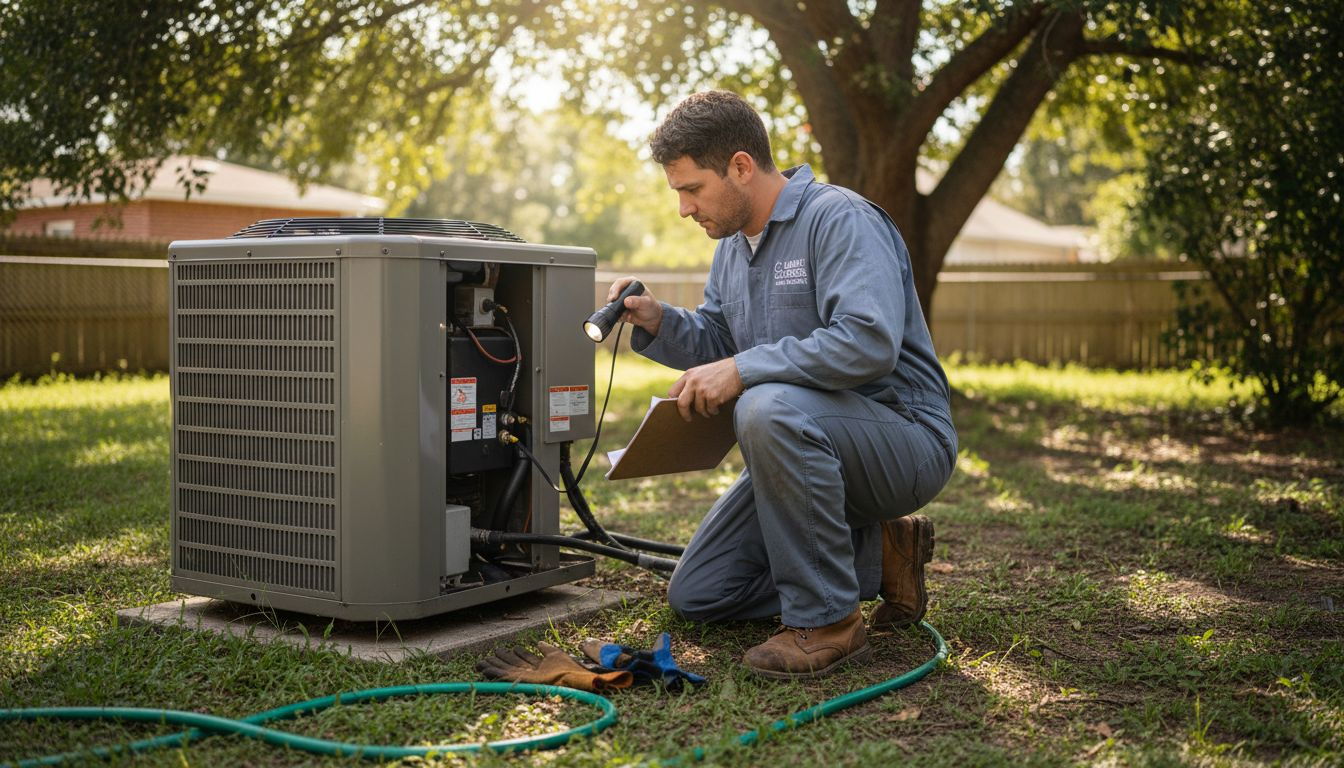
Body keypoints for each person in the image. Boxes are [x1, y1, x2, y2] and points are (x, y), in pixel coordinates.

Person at [606, 90, 957, 679]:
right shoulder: (731, 248)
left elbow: (868, 341)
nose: (685, 209)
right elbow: (723, 341)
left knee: (766, 406)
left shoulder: (840, 218)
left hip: (904, 439)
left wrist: (743, 371)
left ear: (741, 166)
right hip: (803, 447)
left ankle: (830, 621)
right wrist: (662, 322)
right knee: (700, 593)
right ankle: (882, 559)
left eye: (692, 189)